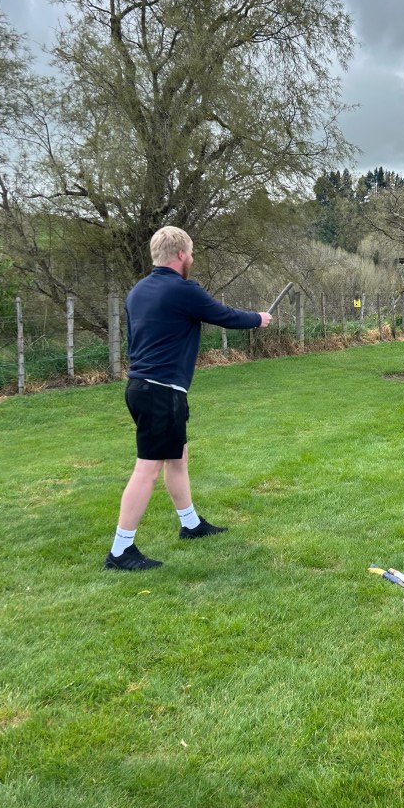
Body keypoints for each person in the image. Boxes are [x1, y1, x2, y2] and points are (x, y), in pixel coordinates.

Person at [104, 226, 272, 571]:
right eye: (191, 254)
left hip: (141, 388)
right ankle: (121, 551)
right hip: (161, 391)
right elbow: (224, 315)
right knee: (147, 469)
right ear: (181, 254)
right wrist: (259, 319)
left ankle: (191, 524)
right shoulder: (183, 290)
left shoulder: (137, 292)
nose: (192, 259)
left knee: (177, 456)